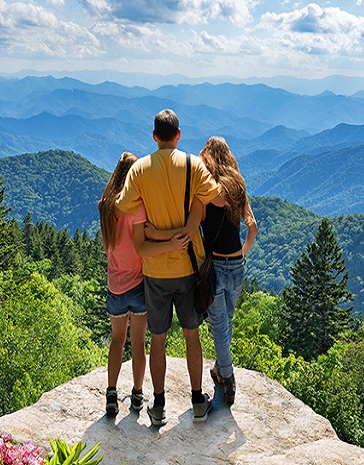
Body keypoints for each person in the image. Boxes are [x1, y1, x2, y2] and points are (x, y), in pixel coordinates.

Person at [116, 109, 221, 426]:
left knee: (157, 339)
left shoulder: (140, 170)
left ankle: (159, 405)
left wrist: (151, 229)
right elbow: (214, 197)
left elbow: (123, 205)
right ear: (178, 135)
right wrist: (192, 215)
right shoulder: (193, 165)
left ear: (154, 136)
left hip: (155, 272)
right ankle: (197, 400)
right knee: (192, 335)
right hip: (189, 266)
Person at [98, 152, 192, 416]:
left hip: (115, 286)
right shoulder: (137, 208)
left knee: (117, 341)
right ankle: (137, 395)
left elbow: (104, 197)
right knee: (138, 342)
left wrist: (116, 173)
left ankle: (111, 393)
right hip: (139, 285)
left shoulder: (106, 209)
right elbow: (144, 242)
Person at [199, 136, 258, 406]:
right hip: (237, 266)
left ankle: (229, 378)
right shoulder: (238, 187)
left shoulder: (211, 189)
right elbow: (252, 225)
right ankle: (220, 371)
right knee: (225, 324)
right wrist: (243, 251)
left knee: (220, 327)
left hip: (216, 266)